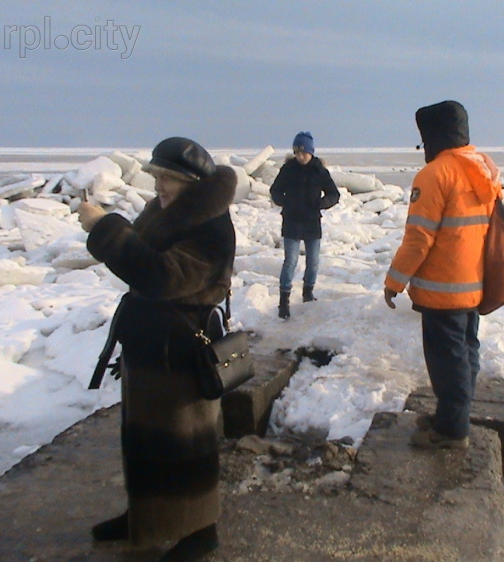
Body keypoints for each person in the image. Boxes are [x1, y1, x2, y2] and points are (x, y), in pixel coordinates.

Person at [78, 137, 236, 560]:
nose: (159, 185)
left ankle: (201, 531)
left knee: (185, 443)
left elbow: (160, 275)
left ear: (192, 183)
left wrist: (104, 227)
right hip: (150, 347)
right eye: (157, 176)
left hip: (182, 352)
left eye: (168, 178)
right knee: (148, 442)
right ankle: (145, 518)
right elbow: (142, 256)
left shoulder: (211, 227)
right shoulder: (165, 211)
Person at [384, 101, 502, 450]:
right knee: (465, 353)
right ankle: (454, 416)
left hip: (442, 290)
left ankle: (452, 432)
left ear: (433, 138)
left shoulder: (435, 175)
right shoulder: (482, 170)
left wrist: (394, 281)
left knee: (446, 361)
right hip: (473, 285)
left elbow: (419, 238)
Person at [270, 131, 340, 319]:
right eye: (297, 152)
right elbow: (275, 190)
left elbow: (334, 194)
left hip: (311, 222)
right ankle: (283, 301)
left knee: (313, 262)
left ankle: (308, 293)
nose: (300, 156)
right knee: (290, 261)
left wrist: (322, 203)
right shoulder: (288, 169)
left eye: (303, 152)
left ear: (310, 152)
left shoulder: (319, 170)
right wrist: (284, 201)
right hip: (291, 221)